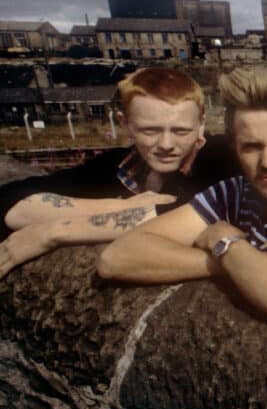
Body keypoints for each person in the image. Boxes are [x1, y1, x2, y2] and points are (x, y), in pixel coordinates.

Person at [97, 64, 267, 322]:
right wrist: (230, 259)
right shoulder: (233, 193)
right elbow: (116, 258)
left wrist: (223, 239)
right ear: (235, 147)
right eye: (251, 147)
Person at [0, 67, 237, 280]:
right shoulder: (118, 164)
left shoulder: (222, 158)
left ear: (201, 124)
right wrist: (122, 206)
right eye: (150, 130)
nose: (166, 144)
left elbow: (190, 212)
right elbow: (12, 198)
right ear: (126, 124)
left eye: (181, 131)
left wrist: (52, 232)